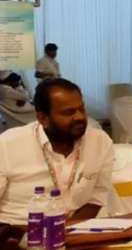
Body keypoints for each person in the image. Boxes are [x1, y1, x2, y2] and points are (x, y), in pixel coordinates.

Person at [0, 79, 113, 235]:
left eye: (81, 109)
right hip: (18, 234)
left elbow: (97, 198)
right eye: (69, 112)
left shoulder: (100, 142)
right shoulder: (7, 145)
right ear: (43, 119)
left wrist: (65, 232)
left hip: (76, 232)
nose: (79, 117)